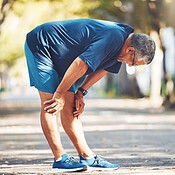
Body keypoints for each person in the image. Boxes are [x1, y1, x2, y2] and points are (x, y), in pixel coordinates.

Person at [24, 18, 156, 172]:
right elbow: (81, 64)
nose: (130, 65)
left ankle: (87, 157)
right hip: (42, 44)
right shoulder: (113, 37)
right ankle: (60, 159)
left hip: (63, 57)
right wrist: (59, 93)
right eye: (133, 62)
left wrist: (80, 93)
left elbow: (104, 69)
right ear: (130, 50)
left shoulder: (121, 48)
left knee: (71, 106)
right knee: (51, 104)